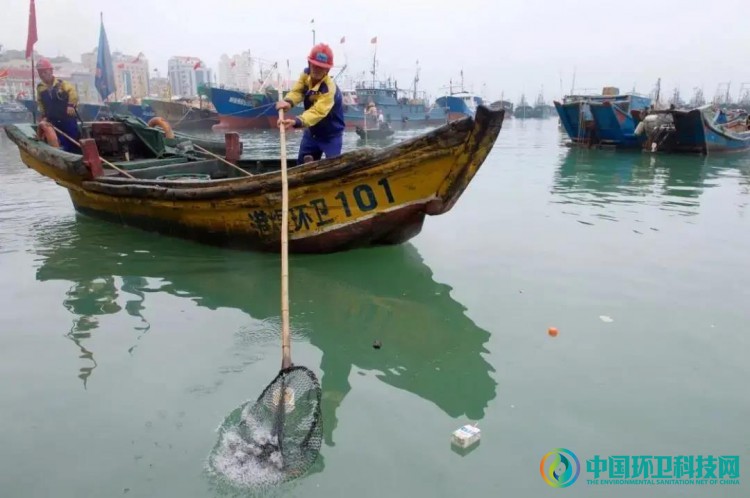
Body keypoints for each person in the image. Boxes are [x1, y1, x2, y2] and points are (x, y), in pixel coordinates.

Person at [276, 43, 345, 164]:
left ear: (327, 70)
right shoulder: (305, 75)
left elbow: (318, 111)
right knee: (301, 166)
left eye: (321, 67)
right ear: (310, 64)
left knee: (334, 168)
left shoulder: (329, 88)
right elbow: (297, 91)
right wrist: (288, 102)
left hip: (331, 136)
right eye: (315, 65)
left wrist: (296, 121)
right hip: (312, 132)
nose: (317, 70)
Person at [35, 58, 80, 153]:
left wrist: (70, 105)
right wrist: (43, 116)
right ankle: (63, 154)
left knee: (72, 138)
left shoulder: (62, 84)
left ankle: (75, 156)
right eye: (40, 73)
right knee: (58, 140)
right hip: (53, 120)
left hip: (67, 119)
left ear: (51, 71)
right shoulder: (40, 88)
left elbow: (73, 92)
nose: (43, 74)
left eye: (45, 71)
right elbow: (40, 102)